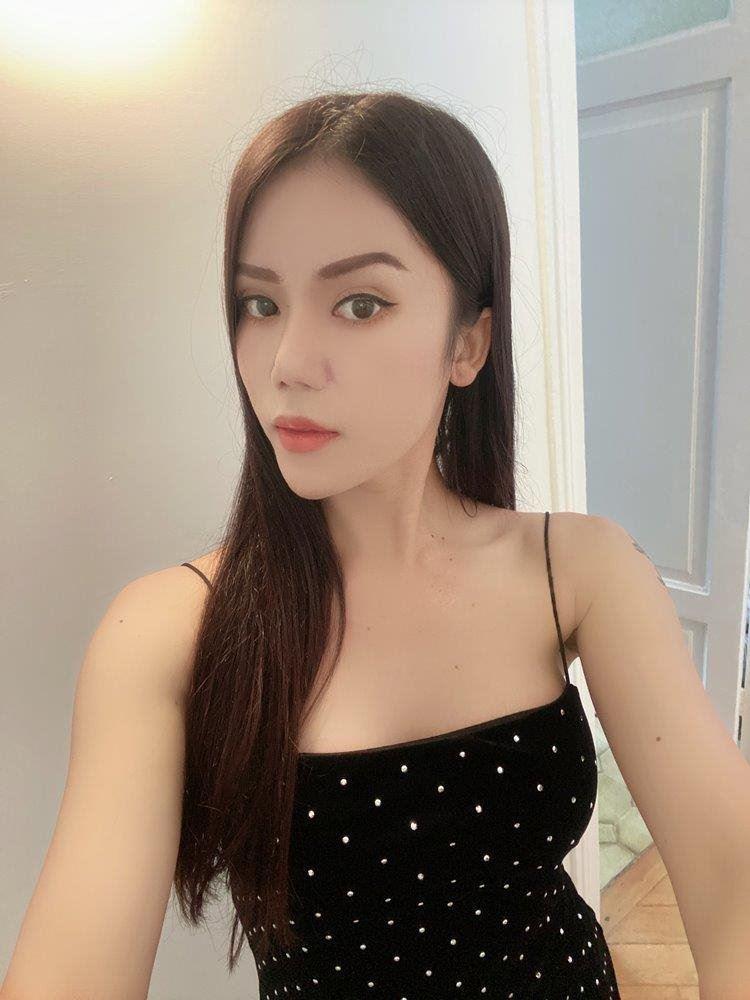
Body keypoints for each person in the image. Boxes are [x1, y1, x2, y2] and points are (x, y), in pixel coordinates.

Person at [4, 89, 635, 998]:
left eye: (360, 303)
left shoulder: (574, 570)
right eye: (259, 302)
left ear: (468, 343)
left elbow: (731, 879)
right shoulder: (168, 631)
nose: (286, 362)